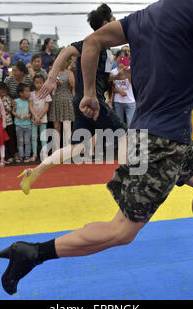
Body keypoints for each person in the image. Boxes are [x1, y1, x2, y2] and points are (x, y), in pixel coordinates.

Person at [0, 0, 193, 295]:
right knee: (122, 231)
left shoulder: (143, 16)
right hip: (159, 142)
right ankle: (31, 254)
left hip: (162, 135)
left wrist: (90, 93)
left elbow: (92, 41)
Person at [17, 3, 129, 195]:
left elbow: (99, 76)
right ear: (105, 23)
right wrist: (51, 79)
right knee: (124, 135)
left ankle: (33, 172)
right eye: (113, 20)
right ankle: (127, 183)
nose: (116, 23)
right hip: (92, 102)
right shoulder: (92, 42)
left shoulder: (105, 51)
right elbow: (66, 52)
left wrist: (116, 77)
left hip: (81, 102)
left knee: (77, 148)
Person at [47, 52, 75, 149]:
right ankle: (57, 150)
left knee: (67, 126)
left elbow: (72, 86)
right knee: (56, 127)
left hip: (67, 100)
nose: (64, 63)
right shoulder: (52, 72)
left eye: (65, 61)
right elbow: (48, 86)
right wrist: (54, 81)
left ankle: (68, 149)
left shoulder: (69, 72)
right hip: (55, 101)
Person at [30, 74, 52, 161]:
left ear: (43, 83)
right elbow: (30, 106)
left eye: (40, 83)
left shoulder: (46, 94)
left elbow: (46, 107)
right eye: (36, 83)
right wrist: (35, 117)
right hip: (34, 119)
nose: (38, 84)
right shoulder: (31, 94)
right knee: (34, 136)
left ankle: (44, 153)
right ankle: (35, 153)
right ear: (34, 83)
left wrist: (39, 117)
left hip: (43, 119)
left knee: (43, 136)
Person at [0, 81, 17, 164]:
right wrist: (0, 101)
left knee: (10, 140)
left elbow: (9, 109)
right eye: (0, 90)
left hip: (8, 123)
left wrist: (4, 101)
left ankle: (11, 156)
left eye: (4, 90)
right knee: (1, 140)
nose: (2, 92)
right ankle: (2, 156)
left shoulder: (7, 98)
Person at [111, 63, 135, 127]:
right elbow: (110, 88)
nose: (122, 62)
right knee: (119, 124)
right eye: (121, 58)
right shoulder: (113, 71)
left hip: (130, 101)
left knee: (131, 124)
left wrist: (129, 74)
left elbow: (134, 84)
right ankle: (122, 137)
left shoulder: (131, 69)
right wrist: (119, 91)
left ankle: (131, 137)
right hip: (118, 101)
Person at [12, 83, 32, 163]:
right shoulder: (16, 101)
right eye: (26, 91)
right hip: (19, 125)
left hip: (28, 125)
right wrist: (17, 114)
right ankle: (21, 156)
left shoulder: (29, 101)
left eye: (29, 91)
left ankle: (27, 155)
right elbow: (12, 111)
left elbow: (31, 112)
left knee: (27, 141)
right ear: (20, 93)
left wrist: (29, 115)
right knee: (20, 141)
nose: (28, 93)